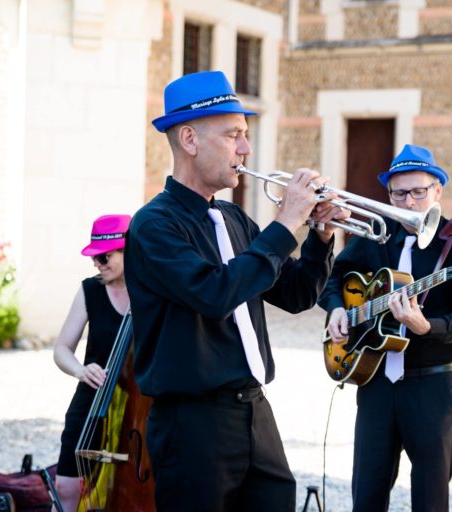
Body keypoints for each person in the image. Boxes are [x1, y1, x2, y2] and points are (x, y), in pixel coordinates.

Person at [124, 70, 347, 512]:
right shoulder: (154, 225)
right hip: (191, 424)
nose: (246, 148)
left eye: (245, 135)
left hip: (254, 412)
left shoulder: (234, 219)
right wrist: (285, 223)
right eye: (233, 135)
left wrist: (320, 236)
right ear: (189, 139)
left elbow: (297, 294)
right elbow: (215, 293)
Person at [319, 144, 452, 511]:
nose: (408, 202)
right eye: (399, 193)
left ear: (437, 190)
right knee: (366, 495)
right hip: (376, 382)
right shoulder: (375, 235)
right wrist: (334, 310)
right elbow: (334, 280)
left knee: (429, 498)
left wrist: (426, 326)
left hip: (432, 384)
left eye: (418, 192)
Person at [52, 214, 131, 512]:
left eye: (104, 256)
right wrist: (80, 370)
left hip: (138, 406)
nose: (97, 264)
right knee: (66, 486)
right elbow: (62, 348)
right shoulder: (90, 290)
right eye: (94, 258)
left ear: (129, 251)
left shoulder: (151, 290)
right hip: (92, 396)